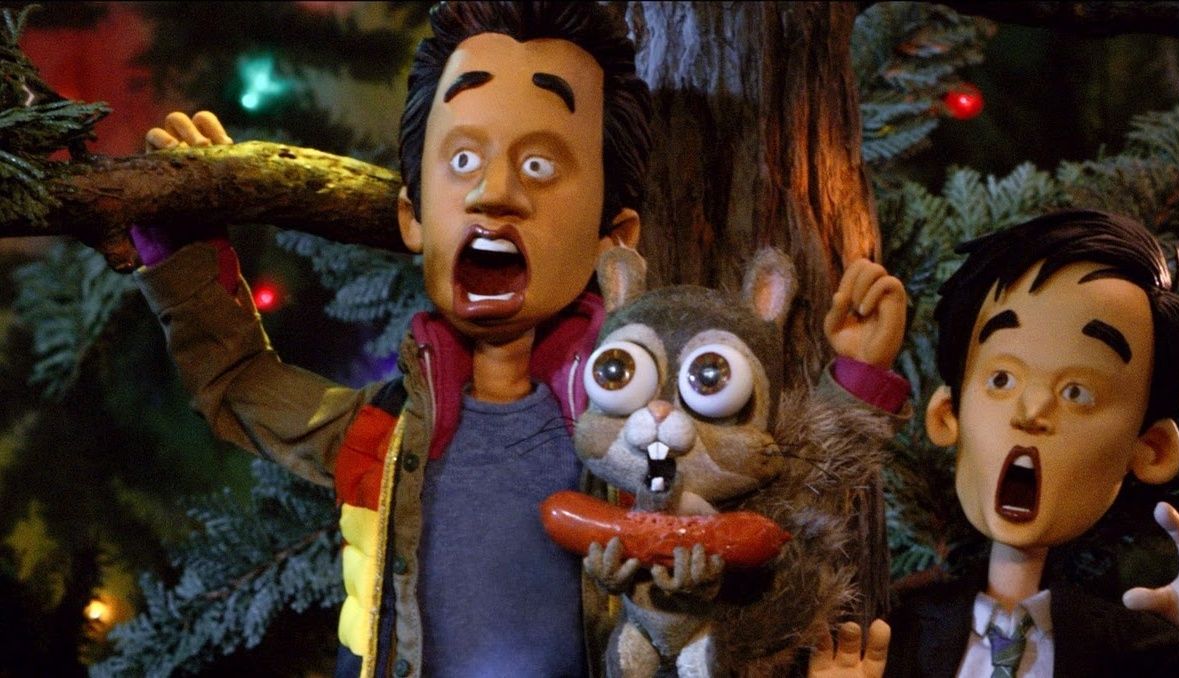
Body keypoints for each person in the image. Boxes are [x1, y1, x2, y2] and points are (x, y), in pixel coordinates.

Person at [133, 3, 910, 676]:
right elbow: (237, 385)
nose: (493, 192)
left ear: (615, 236)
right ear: (412, 214)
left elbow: (781, 499)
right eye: (463, 158)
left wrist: (858, 377)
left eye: (539, 164)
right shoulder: (376, 434)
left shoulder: (633, 434)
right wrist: (183, 245)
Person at [810, 209, 1179, 677]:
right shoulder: (896, 637)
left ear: (1150, 449)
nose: (1032, 411)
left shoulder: (1131, 655)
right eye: (1001, 380)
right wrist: (858, 379)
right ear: (947, 415)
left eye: (1077, 393)